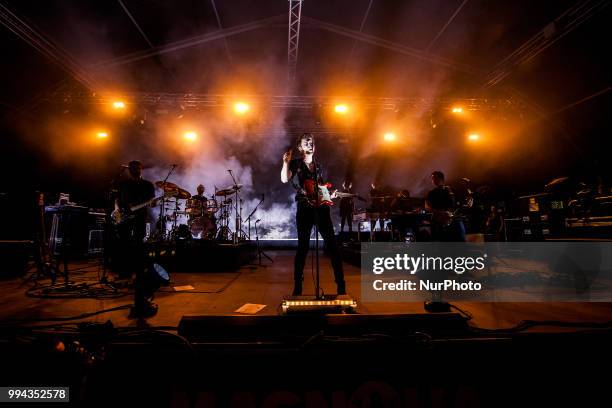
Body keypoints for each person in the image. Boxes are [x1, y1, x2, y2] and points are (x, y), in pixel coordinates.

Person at [281, 133, 346, 296]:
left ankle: (341, 285)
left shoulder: (318, 166)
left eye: (312, 142)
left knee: (333, 247)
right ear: (300, 147)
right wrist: (285, 163)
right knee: (302, 248)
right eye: (306, 142)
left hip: (321, 209)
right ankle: (298, 286)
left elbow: (319, 188)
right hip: (304, 208)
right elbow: (284, 179)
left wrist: (329, 195)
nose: (310, 144)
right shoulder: (295, 163)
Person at [112, 160, 157, 317]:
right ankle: (125, 272)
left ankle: (138, 276)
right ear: (129, 169)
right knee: (123, 245)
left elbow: (151, 202)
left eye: (137, 167)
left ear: (141, 168)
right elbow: (117, 199)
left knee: (138, 245)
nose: (135, 169)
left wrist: (151, 203)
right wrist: (117, 210)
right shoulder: (123, 183)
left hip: (139, 219)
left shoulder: (147, 185)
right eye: (132, 168)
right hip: (123, 219)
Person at [425, 171, 466, 242]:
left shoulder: (451, 190)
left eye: (435, 178)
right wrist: (442, 213)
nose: (433, 180)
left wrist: (465, 205)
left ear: (442, 179)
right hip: (439, 222)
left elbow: (459, 204)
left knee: (460, 240)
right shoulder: (431, 193)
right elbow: (427, 207)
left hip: (453, 220)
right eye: (432, 178)